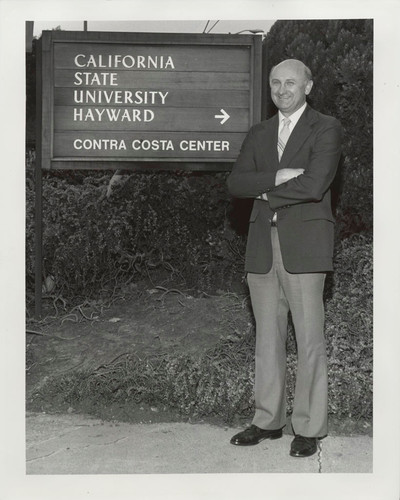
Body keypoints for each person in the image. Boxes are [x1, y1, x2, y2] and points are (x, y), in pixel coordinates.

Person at [227, 59, 342, 458]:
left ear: (308, 86)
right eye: (275, 83)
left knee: (309, 338)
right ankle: (267, 420)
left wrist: (263, 191)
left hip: (305, 244)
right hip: (261, 245)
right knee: (266, 338)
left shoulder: (325, 127)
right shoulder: (259, 132)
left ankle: (308, 427)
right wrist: (275, 178)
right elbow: (236, 182)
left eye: (291, 82)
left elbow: (314, 184)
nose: (282, 90)